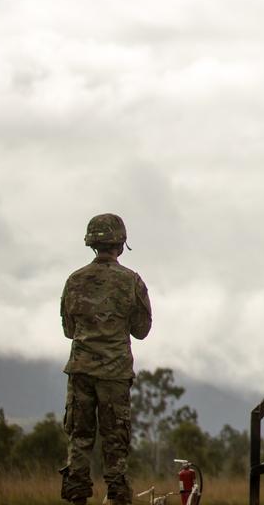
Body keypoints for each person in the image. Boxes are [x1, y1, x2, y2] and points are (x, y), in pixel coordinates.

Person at [60, 213, 152, 505]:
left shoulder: (74, 280)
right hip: (114, 374)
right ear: (121, 243)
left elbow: (68, 329)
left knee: (80, 437)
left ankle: (76, 496)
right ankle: (117, 496)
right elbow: (141, 330)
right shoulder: (131, 281)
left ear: (91, 243)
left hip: (81, 371)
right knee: (116, 441)